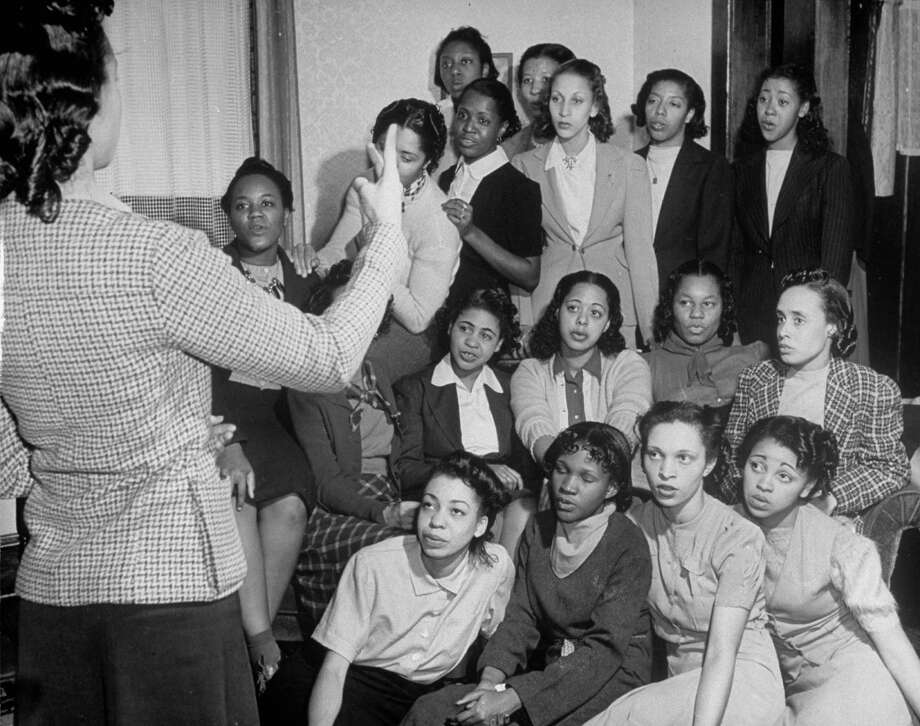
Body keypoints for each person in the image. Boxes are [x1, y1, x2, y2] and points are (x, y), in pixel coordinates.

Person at [0, 3, 408, 723]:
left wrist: (148, 432)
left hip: (51, 596)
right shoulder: (158, 252)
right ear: (92, 106)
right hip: (169, 598)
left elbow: (10, 457)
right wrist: (386, 243)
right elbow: (329, 355)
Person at [403, 422, 653, 726]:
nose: (568, 486)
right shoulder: (539, 528)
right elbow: (522, 616)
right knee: (432, 710)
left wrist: (511, 699)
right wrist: (489, 684)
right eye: (561, 469)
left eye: (586, 478)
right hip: (552, 670)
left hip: (610, 675)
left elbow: (604, 650)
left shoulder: (627, 544)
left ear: (611, 487)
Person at [585, 402, 784, 726]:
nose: (666, 471)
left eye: (683, 458)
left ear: (709, 463)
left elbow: (722, 652)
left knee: (625, 718)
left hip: (740, 677)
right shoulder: (631, 525)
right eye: (654, 454)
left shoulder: (738, 536)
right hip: (680, 680)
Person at [211, 157, 319, 690]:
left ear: (286, 214)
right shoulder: (208, 269)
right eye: (243, 206)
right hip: (219, 408)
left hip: (276, 418)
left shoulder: (303, 274)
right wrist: (221, 438)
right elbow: (192, 366)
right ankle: (259, 647)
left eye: (268, 204)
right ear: (228, 215)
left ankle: (246, 648)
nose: (256, 216)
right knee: (239, 493)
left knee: (292, 505)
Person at [307, 453, 515, 726]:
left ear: (480, 526)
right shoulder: (372, 564)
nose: (436, 522)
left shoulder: (495, 566)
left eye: (456, 511)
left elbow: (498, 636)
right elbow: (333, 670)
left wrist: (490, 687)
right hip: (355, 683)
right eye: (429, 505)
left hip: (423, 696)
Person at [738, 416, 920, 724]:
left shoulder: (842, 546)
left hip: (852, 673)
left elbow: (893, 642)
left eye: (784, 476)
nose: (764, 484)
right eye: (757, 466)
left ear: (808, 486)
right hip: (786, 682)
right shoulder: (726, 527)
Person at [719, 269, 909, 527]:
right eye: (781, 318)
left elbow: (890, 468)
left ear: (833, 326)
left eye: (798, 320)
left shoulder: (872, 388)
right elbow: (732, 458)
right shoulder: (755, 379)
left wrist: (831, 499)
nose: (783, 331)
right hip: (753, 520)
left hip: (829, 523)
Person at [295, 99, 461, 379]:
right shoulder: (366, 183)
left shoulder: (439, 221)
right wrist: (310, 258)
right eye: (384, 150)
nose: (389, 169)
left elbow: (419, 318)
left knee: (345, 366)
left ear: (428, 162)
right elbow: (336, 252)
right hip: (366, 304)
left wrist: (373, 255)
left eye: (406, 158)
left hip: (416, 333)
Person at [288, 260, 411, 626]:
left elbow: (401, 458)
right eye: (340, 313)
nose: (351, 325)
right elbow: (326, 485)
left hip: (389, 497)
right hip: (338, 510)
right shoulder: (308, 383)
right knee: (392, 549)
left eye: (361, 314)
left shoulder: (378, 374)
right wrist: (383, 513)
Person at [512, 59, 656, 342]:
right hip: (548, 309)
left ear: (594, 107)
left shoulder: (629, 166)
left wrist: (651, 332)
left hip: (613, 310)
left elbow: (641, 255)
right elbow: (520, 253)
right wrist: (523, 324)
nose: (564, 112)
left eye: (577, 101)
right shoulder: (525, 166)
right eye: (556, 99)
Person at [393, 287, 536, 554]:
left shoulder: (510, 387)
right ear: (449, 328)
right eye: (465, 329)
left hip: (504, 499)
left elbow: (523, 467)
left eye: (486, 335)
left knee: (522, 511)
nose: (472, 342)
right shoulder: (416, 389)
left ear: (499, 344)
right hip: (448, 496)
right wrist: (478, 468)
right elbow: (405, 470)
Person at [732, 63, 854, 347]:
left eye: (782, 101)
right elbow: (735, 253)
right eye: (763, 99)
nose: (769, 110)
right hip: (753, 315)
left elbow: (834, 260)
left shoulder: (830, 168)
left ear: (803, 108)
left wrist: (823, 319)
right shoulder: (740, 170)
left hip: (806, 315)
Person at [511, 271, 652, 466]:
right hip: (554, 479)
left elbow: (628, 415)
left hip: (616, 480)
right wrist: (566, 474)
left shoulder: (628, 364)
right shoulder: (530, 370)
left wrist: (593, 474)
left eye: (595, 313)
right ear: (557, 312)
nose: (582, 320)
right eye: (573, 308)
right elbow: (534, 424)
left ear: (607, 324)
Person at [439, 78, 542, 306]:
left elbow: (530, 276)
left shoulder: (519, 189)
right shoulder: (447, 178)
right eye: (463, 115)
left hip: (484, 318)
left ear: (502, 128)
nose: (468, 128)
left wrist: (470, 233)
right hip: (439, 311)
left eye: (483, 120)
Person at [632, 68, 732, 285]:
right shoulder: (627, 163)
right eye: (653, 101)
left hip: (681, 292)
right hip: (631, 287)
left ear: (689, 114)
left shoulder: (710, 167)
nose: (660, 112)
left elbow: (715, 250)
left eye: (673, 104)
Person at [644, 259, 768, 408]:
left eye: (708, 304)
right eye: (685, 302)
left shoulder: (752, 359)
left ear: (724, 307)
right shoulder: (646, 365)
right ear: (670, 305)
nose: (697, 314)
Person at [432, 26, 499, 176]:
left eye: (465, 61)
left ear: (485, 69)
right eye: (446, 64)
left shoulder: (502, 118)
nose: (454, 70)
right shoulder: (434, 118)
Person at [501, 42, 576, 158]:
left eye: (546, 79)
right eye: (527, 80)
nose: (535, 90)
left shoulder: (585, 144)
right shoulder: (510, 148)